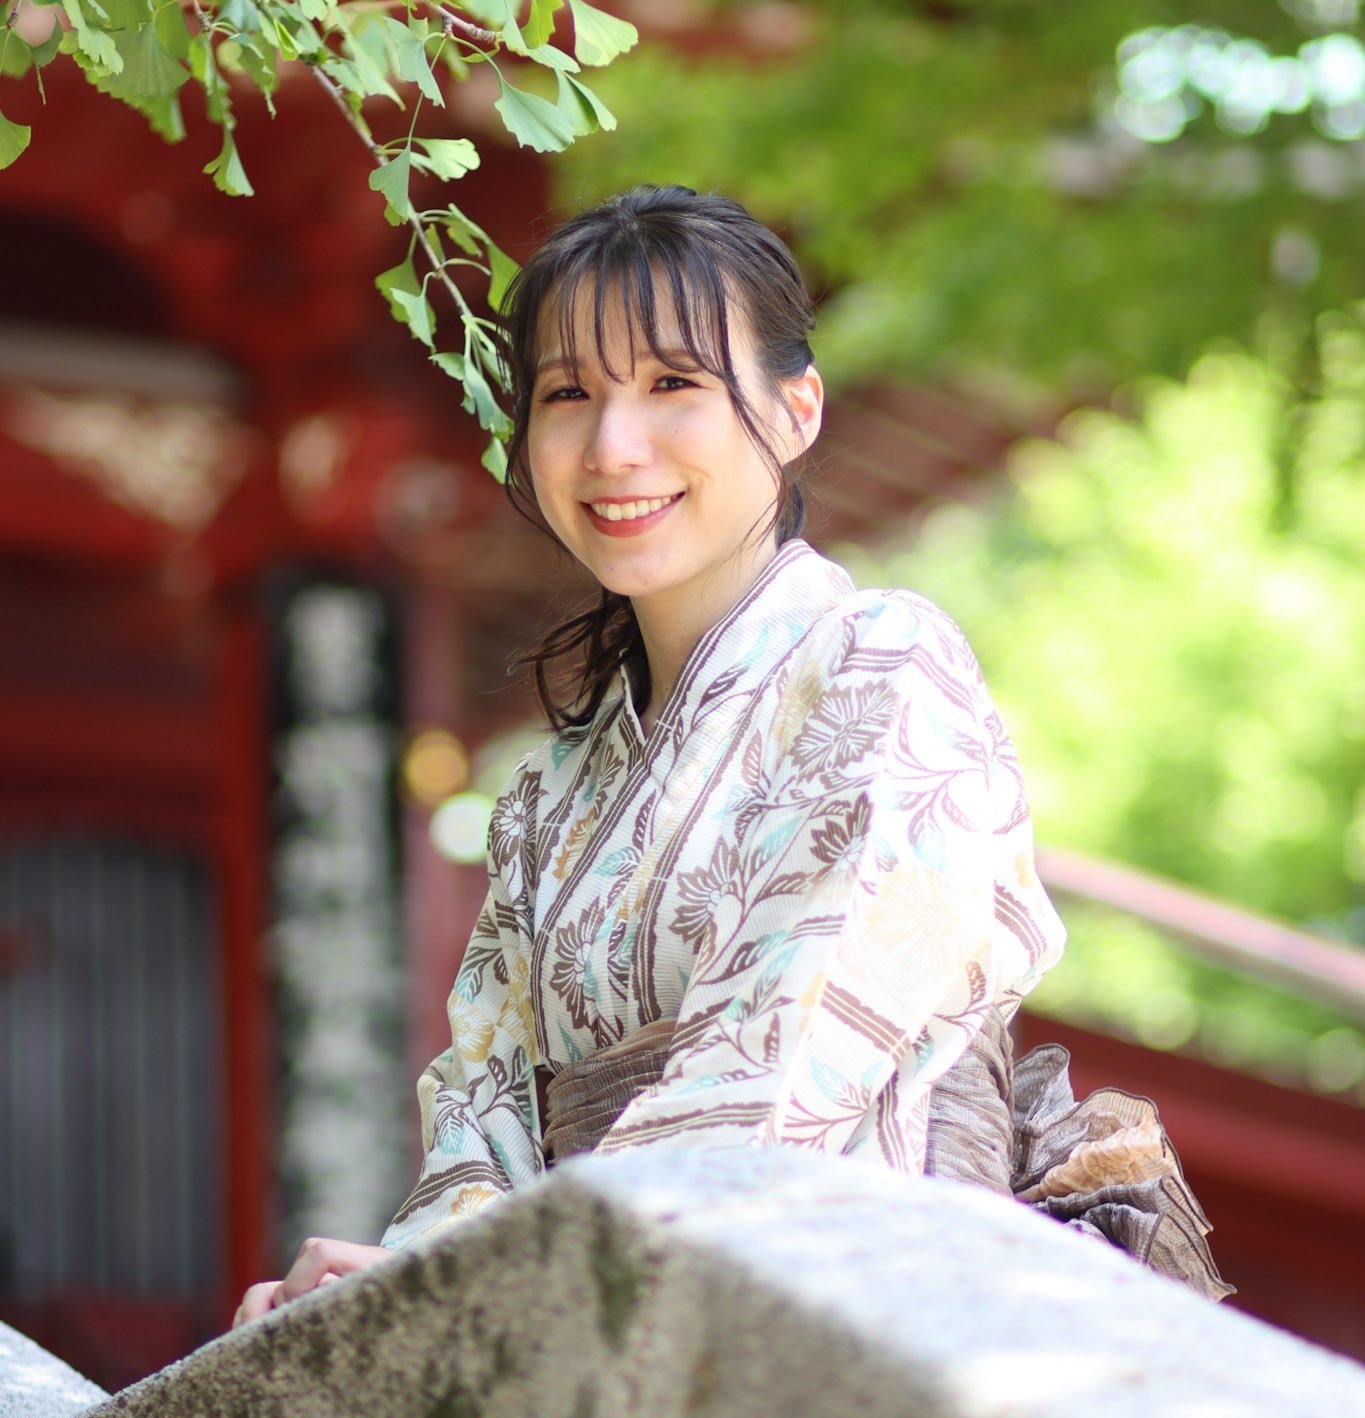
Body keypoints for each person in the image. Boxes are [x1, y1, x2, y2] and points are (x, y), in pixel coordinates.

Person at [234, 184, 1231, 1328]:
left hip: (844, 1315)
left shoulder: (881, 665)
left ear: (796, 408)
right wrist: (414, 1279)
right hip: (588, 1315)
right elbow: (482, 1109)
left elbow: (781, 1068)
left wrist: (484, 1281)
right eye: (568, 393)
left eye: (673, 384)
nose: (613, 446)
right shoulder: (544, 800)